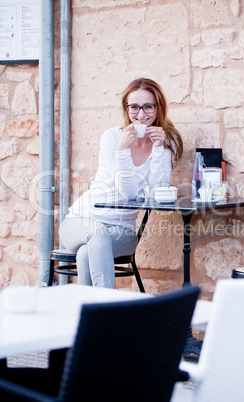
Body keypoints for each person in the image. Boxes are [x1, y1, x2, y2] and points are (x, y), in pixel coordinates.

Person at [59, 78, 183, 288]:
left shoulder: (164, 142)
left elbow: (155, 192)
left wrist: (159, 148)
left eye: (148, 107)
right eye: (134, 106)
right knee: (96, 235)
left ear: (158, 107)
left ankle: (90, 316)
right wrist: (122, 152)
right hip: (79, 222)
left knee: (85, 255)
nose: (141, 114)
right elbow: (128, 193)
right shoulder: (112, 138)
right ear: (126, 108)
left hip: (121, 230)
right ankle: (109, 310)